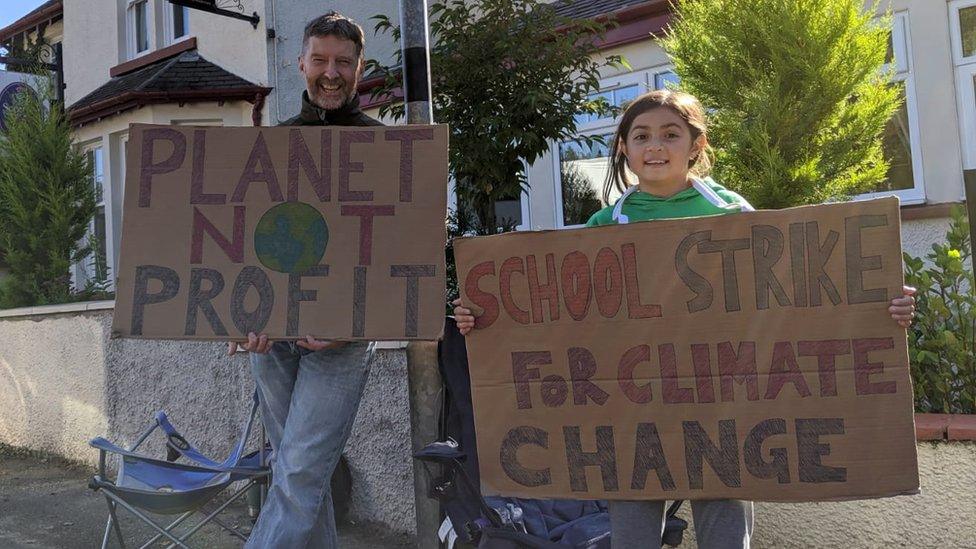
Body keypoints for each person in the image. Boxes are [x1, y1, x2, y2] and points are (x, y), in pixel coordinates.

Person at [453, 89, 916, 549]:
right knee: (631, 536)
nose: (655, 146)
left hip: (724, 407)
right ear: (624, 148)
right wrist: (486, 320)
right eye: (642, 136)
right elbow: (560, 317)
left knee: (724, 533)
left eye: (670, 134)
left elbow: (794, 299)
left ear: (695, 145)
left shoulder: (734, 215)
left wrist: (879, 308)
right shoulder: (602, 228)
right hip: (632, 416)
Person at [226, 12, 382, 549]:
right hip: (271, 340)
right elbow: (240, 243)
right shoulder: (269, 146)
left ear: (361, 67)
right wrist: (238, 317)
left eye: (343, 62)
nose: (331, 73)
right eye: (320, 60)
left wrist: (352, 324)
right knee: (298, 476)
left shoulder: (389, 150)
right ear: (301, 64)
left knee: (297, 475)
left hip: (342, 343)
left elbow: (403, 259)